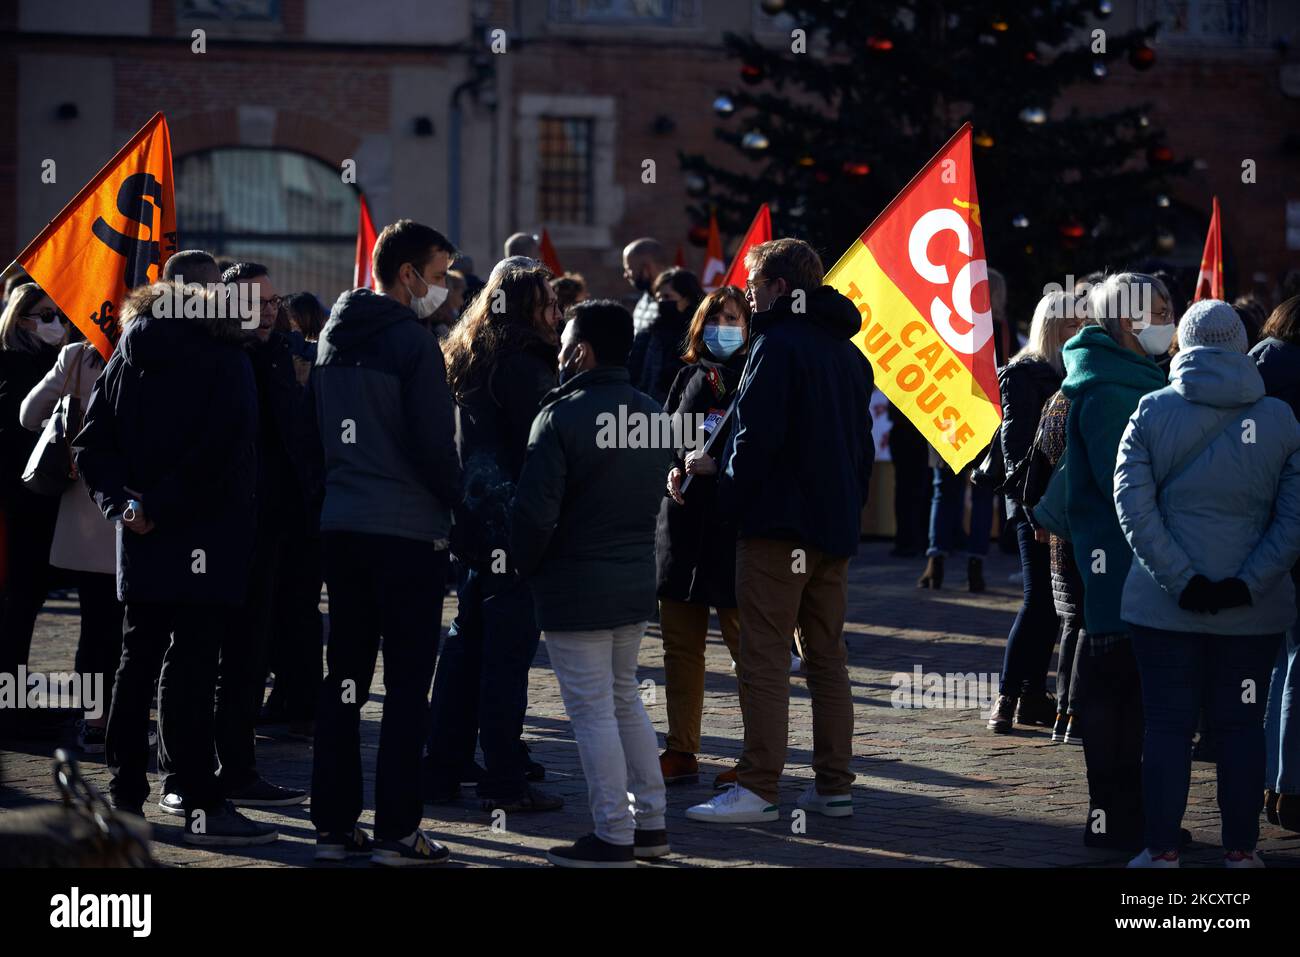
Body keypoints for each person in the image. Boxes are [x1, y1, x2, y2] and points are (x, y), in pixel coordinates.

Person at [75, 282, 273, 845]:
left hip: (144, 532)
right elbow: (227, 448)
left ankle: (125, 792)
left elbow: (93, 445)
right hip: (204, 532)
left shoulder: (126, 357)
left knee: (137, 658)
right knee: (191, 662)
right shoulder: (226, 357)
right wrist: (150, 506)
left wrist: (128, 505)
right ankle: (195, 792)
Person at [686, 238, 872, 825]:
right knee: (826, 658)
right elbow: (859, 451)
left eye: (756, 282)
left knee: (763, 656)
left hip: (776, 530)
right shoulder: (848, 355)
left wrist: (727, 497)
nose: (746, 292)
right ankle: (833, 785)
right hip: (831, 532)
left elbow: (755, 440)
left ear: (782, 290)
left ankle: (759, 786)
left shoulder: (775, 345)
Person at [1116, 299, 1300, 868]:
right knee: (1242, 727)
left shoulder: (1150, 412)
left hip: (1164, 605)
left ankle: (1162, 848)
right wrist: (1248, 583)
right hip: (1253, 610)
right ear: (1241, 346)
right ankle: (1242, 851)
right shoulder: (1280, 420)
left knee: (1168, 726)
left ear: (1184, 344)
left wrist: (1182, 581)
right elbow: (1294, 518)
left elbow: (1132, 506)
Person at [309, 219, 462, 866]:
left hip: (343, 528)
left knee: (343, 678)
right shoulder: (412, 343)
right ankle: (399, 830)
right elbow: (433, 446)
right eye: (438, 274)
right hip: (405, 534)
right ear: (407, 275)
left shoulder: (329, 337)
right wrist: (464, 509)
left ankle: (334, 824)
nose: (446, 288)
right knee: (405, 688)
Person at [510, 299, 671, 867]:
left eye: (565, 343)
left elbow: (534, 515)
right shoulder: (652, 413)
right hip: (631, 582)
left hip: (576, 584)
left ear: (581, 350)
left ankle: (613, 832)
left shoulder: (559, 416)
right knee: (624, 701)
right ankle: (649, 822)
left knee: (594, 710)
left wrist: (518, 563)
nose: (558, 351)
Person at [424, 260, 563, 813]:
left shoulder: (467, 352)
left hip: (472, 521)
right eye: (549, 302)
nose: (557, 312)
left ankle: (444, 764)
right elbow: (540, 451)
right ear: (528, 307)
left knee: (465, 646)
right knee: (505, 655)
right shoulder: (525, 361)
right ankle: (504, 777)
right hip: (511, 522)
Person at [1058, 272, 1171, 851]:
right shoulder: (1109, 391)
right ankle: (1115, 817)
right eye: (1160, 310)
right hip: (1119, 572)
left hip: (1135, 571)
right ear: (1128, 321)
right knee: (1114, 699)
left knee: (1128, 701)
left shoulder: (1127, 380)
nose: (1169, 321)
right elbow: (1118, 485)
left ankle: (1128, 816)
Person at [656, 285, 751, 787]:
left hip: (728, 531)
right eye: (716, 318)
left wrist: (720, 467)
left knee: (745, 648)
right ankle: (681, 748)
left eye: (734, 319)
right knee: (680, 648)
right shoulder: (689, 376)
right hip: (681, 529)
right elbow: (667, 437)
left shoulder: (754, 379)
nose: (724, 328)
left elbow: (758, 448)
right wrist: (672, 468)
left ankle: (754, 756)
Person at [20, 328, 120, 753]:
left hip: (85, 515)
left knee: (95, 627)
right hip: (138, 510)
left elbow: (29, 415)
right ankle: (114, 720)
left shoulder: (79, 356)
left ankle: (92, 720)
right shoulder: (162, 348)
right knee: (126, 630)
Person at [986, 291, 1077, 731]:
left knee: (1056, 603)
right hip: (1032, 501)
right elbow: (1017, 447)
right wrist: (1035, 511)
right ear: (1051, 327)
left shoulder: (1072, 371)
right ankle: (1007, 695)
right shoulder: (1024, 373)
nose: (1080, 330)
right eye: (1071, 323)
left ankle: (1032, 694)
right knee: (1038, 599)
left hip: (1062, 501)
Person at [0, 283, 65, 729]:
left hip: (43, 504)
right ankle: (12, 706)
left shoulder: (50, 362)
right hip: (19, 504)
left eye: (56, 313)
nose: (54, 322)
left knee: (28, 603)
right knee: (18, 605)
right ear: (20, 319)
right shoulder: (11, 365)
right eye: (43, 315)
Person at [1250, 295, 1300, 832]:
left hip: (1258, 527)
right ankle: (1290, 785)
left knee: (1278, 660)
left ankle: (1270, 779)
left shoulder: (1255, 364)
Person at [628, 267, 703, 405]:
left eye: (667, 297)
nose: (662, 302)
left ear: (686, 299)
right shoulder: (648, 334)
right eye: (659, 297)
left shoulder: (700, 336)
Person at [622, 237, 669, 336]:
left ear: (647, 268)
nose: (625, 275)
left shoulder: (675, 303)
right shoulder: (645, 298)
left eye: (629, 269)